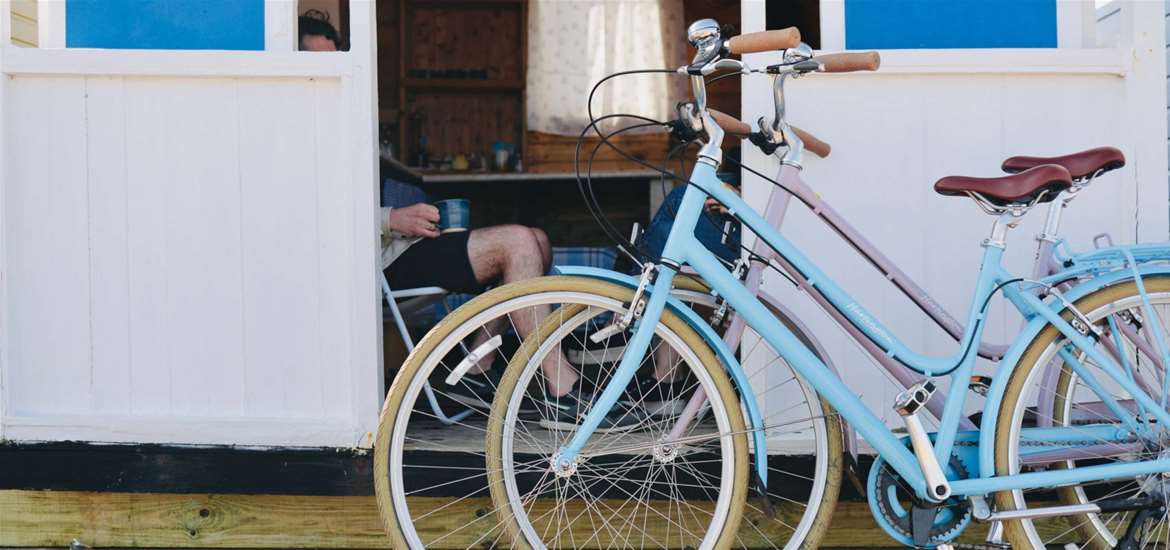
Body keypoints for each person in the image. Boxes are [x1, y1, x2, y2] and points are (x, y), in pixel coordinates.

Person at [299, 16, 645, 431]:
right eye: (316, 64)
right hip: (372, 265)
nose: (330, 76)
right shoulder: (298, 134)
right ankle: (561, 388)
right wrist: (392, 218)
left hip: (395, 250)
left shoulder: (339, 125)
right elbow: (308, 214)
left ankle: (476, 368)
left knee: (537, 240)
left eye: (335, 64)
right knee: (517, 242)